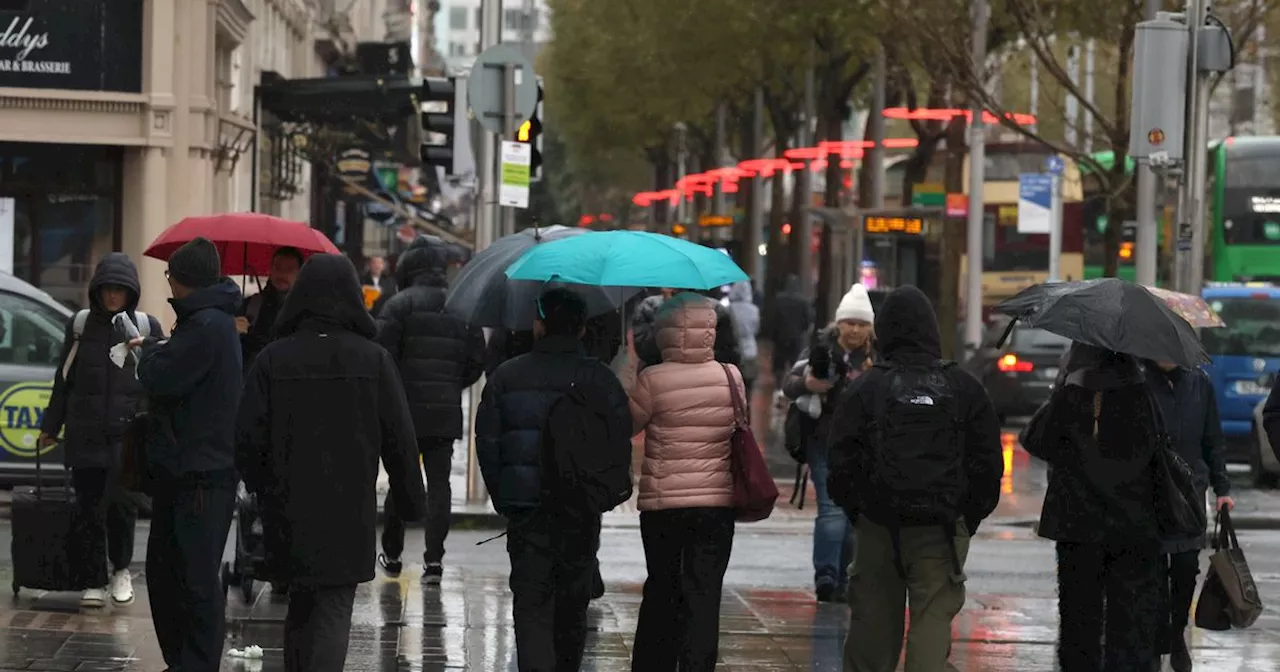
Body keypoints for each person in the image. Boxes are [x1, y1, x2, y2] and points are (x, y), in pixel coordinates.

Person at [235, 254, 427, 672]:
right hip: (348, 508)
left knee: (300, 606)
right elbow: (400, 439)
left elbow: (247, 436)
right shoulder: (373, 361)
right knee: (334, 607)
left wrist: (260, 485)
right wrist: (412, 503)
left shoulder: (273, 359)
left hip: (287, 506)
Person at [827, 286, 1002, 672]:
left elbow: (840, 461)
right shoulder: (964, 387)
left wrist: (859, 511)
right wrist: (966, 517)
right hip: (940, 527)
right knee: (932, 620)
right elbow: (988, 463)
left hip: (877, 524)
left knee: (872, 623)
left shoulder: (867, 387)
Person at [475, 288, 631, 672]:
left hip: (527, 514)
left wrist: (506, 497)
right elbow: (618, 444)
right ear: (581, 329)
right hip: (579, 512)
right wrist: (598, 499)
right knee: (572, 608)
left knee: (531, 606)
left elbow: (489, 445)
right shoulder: (600, 379)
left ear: (539, 325)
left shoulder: (507, 377)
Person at [128, 237, 243, 672]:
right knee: (168, 574)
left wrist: (149, 356)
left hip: (199, 473)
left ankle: (193, 663)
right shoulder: (205, 323)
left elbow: (162, 377)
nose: (169, 283)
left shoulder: (208, 326)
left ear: (185, 279)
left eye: (171, 275)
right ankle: (183, 660)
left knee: (192, 579)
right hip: (186, 471)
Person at [1019, 344, 1167, 671]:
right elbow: (1159, 452)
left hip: (1078, 527)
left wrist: (1061, 390)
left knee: (1079, 618)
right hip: (1134, 527)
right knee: (1130, 621)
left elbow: (1034, 440)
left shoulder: (1070, 397)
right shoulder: (1142, 397)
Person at [619, 292, 740, 672]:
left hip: (663, 505)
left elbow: (628, 426)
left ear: (664, 333)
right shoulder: (730, 376)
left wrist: (628, 375)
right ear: (710, 331)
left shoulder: (652, 379)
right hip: (715, 504)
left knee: (662, 588)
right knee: (705, 594)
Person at [39, 253, 164, 608]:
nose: (113, 297)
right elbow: (64, 380)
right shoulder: (79, 326)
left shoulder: (145, 325)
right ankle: (93, 578)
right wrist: (52, 425)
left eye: (120, 291)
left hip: (127, 436)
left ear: (130, 293)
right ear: (97, 290)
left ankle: (121, 569)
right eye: (108, 289)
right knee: (88, 508)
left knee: (122, 507)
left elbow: (162, 379)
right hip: (85, 432)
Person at [375, 235, 486, 583]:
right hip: (443, 411)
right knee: (439, 484)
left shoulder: (398, 306)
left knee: (400, 478)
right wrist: (451, 385)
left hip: (404, 411)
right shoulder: (461, 309)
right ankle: (434, 560)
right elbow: (475, 362)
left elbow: (383, 358)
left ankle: (392, 553)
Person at [782, 283, 876, 603]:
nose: (855, 330)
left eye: (862, 324)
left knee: (853, 513)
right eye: (850, 322)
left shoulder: (876, 357)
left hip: (864, 444)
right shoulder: (819, 349)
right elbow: (789, 385)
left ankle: (844, 576)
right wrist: (809, 383)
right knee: (833, 509)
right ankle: (827, 575)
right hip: (825, 439)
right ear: (839, 323)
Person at [1144, 359, 1233, 672]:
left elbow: (1213, 439)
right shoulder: (1138, 381)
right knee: (1152, 574)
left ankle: (1176, 633)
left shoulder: (1199, 383)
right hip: (1149, 492)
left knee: (1185, 570)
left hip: (1191, 492)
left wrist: (1223, 488)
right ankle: (1156, 641)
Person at [632, 288, 740, 370]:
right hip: (664, 375)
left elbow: (728, 353)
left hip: (702, 376)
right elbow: (645, 352)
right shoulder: (650, 307)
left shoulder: (716, 309)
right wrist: (666, 314)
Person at [237, 246, 303, 371]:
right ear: (270, 269)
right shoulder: (251, 306)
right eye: (277, 267)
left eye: (289, 269)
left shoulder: (305, 311)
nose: (282, 274)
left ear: (299, 273)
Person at [767, 274, 813, 390]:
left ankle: (778, 389)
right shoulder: (802, 301)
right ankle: (792, 389)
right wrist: (800, 330)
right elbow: (808, 320)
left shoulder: (779, 299)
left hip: (780, 338)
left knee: (779, 366)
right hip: (796, 338)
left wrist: (773, 335)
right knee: (795, 365)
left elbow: (772, 319)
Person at [727, 281, 761, 393]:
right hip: (750, 348)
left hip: (732, 348)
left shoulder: (729, 309)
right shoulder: (754, 310)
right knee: (748, 383)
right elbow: (756, 329)